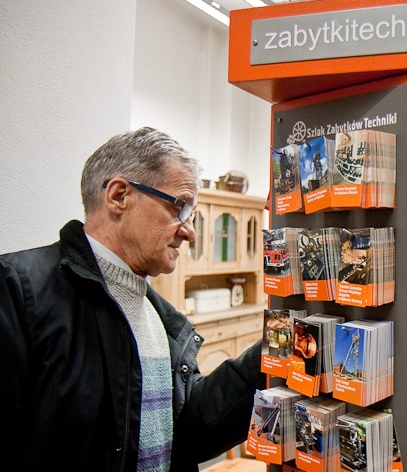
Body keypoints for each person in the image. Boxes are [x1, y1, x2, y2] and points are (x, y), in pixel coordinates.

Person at [0, 127, 266, 471]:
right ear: (118, 196)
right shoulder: (18, 290)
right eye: (180, 207)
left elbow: (188, 429)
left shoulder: (159, 316)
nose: (190, 231)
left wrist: (269, 354)